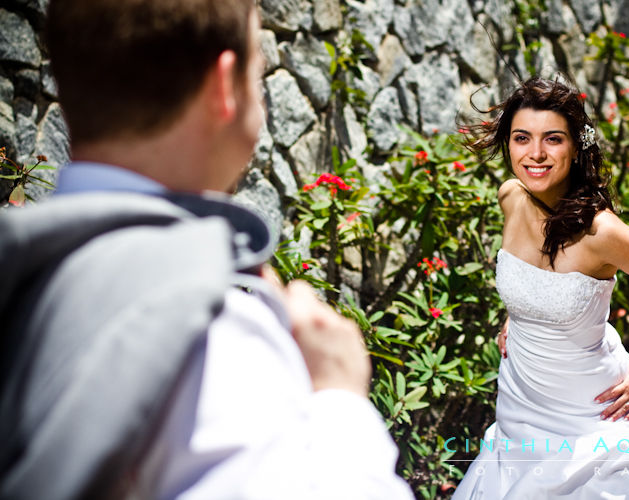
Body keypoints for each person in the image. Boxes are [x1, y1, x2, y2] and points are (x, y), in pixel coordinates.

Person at [0, 1, 415, 499]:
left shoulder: (25, 270)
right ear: (225, 86)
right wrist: (339, 393)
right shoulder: (211, 325)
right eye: (257, 73)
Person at [451, 76, 629, 499]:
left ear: (576, 146)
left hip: (592, 415)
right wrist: (515, 315)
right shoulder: (511, 197)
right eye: (522, 138)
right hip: (521, 400)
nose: (535, 154)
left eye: (552, 139)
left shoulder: (602, 232)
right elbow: (529, 279)